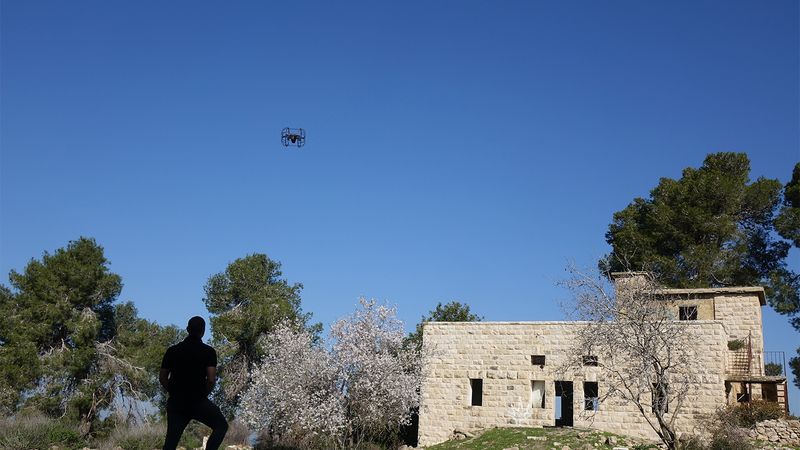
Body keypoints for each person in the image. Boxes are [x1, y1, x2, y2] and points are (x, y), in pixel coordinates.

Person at [160, 316, 228, 450]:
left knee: (171, 442)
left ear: (187, 329)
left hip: (177, 402)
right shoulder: (208, 352)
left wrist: (174, 392)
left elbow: (162, 377)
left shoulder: (172, 351)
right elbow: (211, 379)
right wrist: (203, 395)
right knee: (221, 426)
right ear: (203, 331)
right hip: (198, 401)